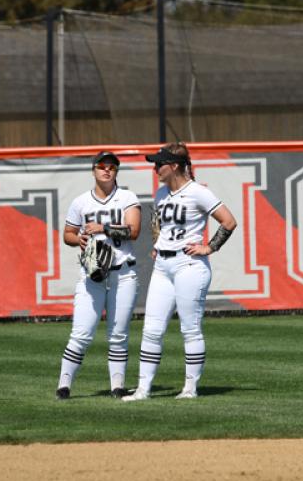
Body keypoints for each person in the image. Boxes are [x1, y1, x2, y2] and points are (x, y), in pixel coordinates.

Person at [123, 142, 237, 402]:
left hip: (189, 266)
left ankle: (190, 389)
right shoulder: (161, 193)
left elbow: (229, 221)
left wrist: (209, 247)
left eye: (159, 164)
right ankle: (143, 389)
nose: (155, 168)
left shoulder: (198, 192)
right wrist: (157, 244)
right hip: (162, 266)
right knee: (152, 329)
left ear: (174, 166)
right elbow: (157, 222)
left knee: (190, 329)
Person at [56, 151, 141, 400]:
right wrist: (78, 238)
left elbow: (133, 231)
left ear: (116, 171)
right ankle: (64, 385)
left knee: (118, 333)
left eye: (112, 167)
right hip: (91, 275)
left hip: (123, 274)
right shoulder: (81, 201)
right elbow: (68, 234)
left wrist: (103, 228)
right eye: (102, 166)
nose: (107, 170)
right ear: (93, 170)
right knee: (81, 333)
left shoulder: (127, 197)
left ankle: (117, 386)